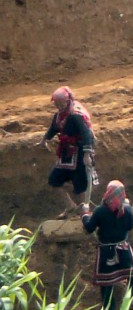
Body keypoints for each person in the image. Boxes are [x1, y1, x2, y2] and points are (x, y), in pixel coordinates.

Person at [81, 180, 133, 310]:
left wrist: (85, 214)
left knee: (106, 282)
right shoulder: (127, 210)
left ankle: (109, 309)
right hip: (123, 249)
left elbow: (89, 228)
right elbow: (130, 226)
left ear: (108, 192)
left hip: (106, 252)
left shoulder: (99, 211)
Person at [37, 86, 96, 218]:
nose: (58, 106)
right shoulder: (59, 116)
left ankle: (84, 213)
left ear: (67, 101)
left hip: (79, 153)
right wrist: (44, 140)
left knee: (80, 184)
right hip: (65, 153)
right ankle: (70, 205)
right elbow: (54, 128)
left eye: (60, 103)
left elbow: (86, 134)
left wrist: (87, 154)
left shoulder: (76, 115)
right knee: (54, 180)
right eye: (56, 104)